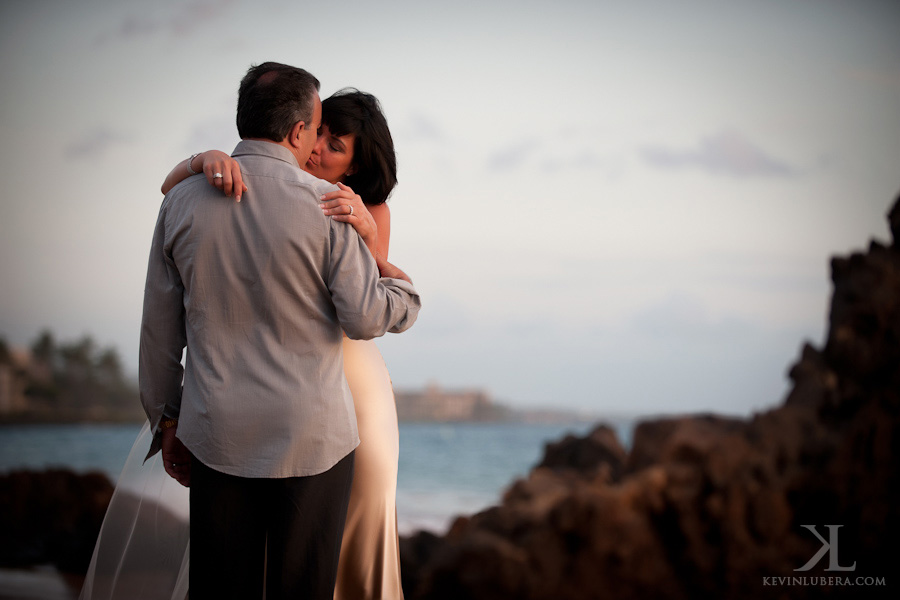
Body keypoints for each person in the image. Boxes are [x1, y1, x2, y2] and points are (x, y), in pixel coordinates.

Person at [140, 62, 420, 600]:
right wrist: (409, 297)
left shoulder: (182, 202)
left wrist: (167, 418)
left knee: (223, 585)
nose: (319, 144)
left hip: (217, 428)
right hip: (313, 428)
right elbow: (364, 316)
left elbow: (159, 332)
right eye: (319, 130)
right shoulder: (326, 210)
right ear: (299, 131)